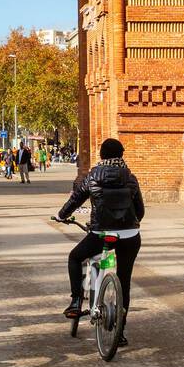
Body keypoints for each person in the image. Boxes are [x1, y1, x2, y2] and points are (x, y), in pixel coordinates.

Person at [56, 137, 144, 348]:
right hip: (130, 236)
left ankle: (76, 300)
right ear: (121, 155)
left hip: (101, 233)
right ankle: (119, 333)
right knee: (124, 282)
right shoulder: (131, 177)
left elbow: (75, 200)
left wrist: (61, 215)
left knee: (75, 257)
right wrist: (129, 223)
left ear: (102, 155)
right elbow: (140, 211)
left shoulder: (93, 176)